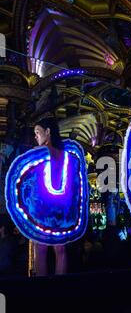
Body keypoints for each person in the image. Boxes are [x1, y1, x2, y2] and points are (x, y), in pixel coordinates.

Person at [33, 117, 67, 276]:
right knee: (60, 249)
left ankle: (41, 292)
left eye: (38, 132)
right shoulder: (63, 154)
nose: (36, 136)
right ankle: (61, 288)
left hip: (43, 205)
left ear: (48, 132)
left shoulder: (41, 152)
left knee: (40, 249)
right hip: (60, 204)